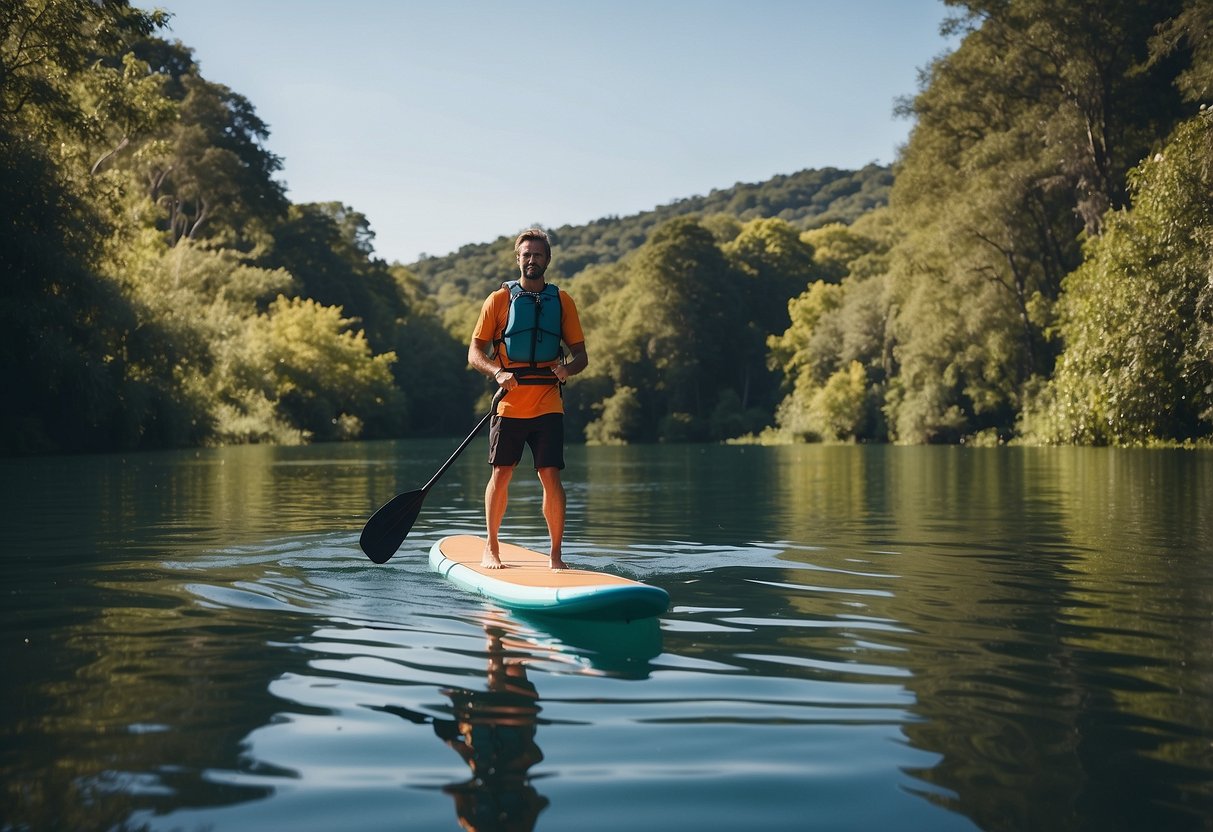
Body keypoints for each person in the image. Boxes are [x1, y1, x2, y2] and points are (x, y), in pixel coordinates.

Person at [468, 228, 587, 570]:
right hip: (509, 402)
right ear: (517, 259)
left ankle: (556, 555)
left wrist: (568, 369)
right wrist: (497, 372)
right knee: (502, 473)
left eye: (538, 254)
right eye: (526, 254)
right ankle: (491, 548)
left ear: (547, 260)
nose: (532, 259)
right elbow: (475, 352)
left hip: (548, 402)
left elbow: (581, 355)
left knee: (550, 475)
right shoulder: (498, 300)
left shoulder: (562, 301)